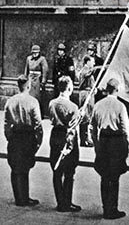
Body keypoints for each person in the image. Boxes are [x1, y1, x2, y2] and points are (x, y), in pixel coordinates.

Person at [90, 78, 129, 220]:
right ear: (117, 89)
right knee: (114, 178)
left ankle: (105, 207)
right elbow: (125, 129)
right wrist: (127, 148)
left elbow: (93, 128)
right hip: (116, 142)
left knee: (104, 176)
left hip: (103, 141)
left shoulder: (98, 105)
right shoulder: (120, 106)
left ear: (107, 89)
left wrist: (96, 144)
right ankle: (112, 208)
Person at [4, 75, 42, 206]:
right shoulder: (33, 102)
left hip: (15, 137)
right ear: (28, 86)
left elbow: (6, 123)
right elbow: (38, 124)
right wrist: (38, 141)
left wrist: (9, 137)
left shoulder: (10, 101)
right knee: (25, 168)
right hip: (27, 137)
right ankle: (24, 197)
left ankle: (18, 197)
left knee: (15, 168)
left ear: (18, 86)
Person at [48, 76, 81, 212]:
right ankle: (67, 202)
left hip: (55, 134)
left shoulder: (52, 103)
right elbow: (73, 128)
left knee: (56, 170)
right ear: (69, 88)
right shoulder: (73, 106)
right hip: (67, 136)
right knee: (69, 171)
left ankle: (60, 202)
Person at [79, 55, 95, 147]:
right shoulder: (86, 70)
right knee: (85, 117)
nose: (93, 63)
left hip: (88, 93)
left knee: (87, 116)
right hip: (86, 94)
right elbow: (88, 74)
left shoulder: (88, 70)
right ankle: (84, 139)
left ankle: (85, 138)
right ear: (87, 62)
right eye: (92, 61)